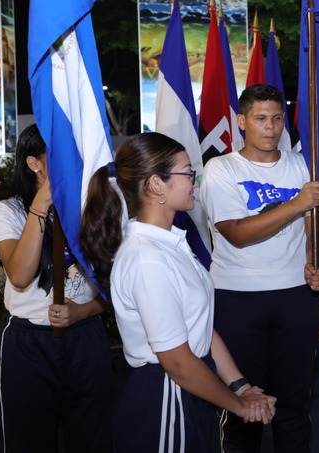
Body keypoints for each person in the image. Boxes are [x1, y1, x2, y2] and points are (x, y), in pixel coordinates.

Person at [79, 132, 276, 452]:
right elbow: (177, 361)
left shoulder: (170, 243)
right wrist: (239, 406)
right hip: (168, 394)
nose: (195, 182)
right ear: (157, 184)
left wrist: (240, 387)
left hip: (191, 386)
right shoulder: (148, 257)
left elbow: (200, 327)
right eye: (188, 173)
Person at [199, 83, 319, 453]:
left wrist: (316, 263)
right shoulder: (221, 168)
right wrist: (296, 204)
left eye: (276, 118)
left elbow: (318, 222)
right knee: (245, 406)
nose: (270, 127)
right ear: (242, 121)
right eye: (260, 118)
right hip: (237, 297)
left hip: (295, 296)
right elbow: (237, 233)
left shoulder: (301, 163)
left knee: (295, 404)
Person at [0, 124, 112, 452]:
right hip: (29, 343)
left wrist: (83, 311)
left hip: (86, 335)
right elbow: (20, 276)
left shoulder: (93, 208)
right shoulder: (6, 212)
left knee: (93, 437)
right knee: (30, 439)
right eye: (60, 154)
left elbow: (115, 286)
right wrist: (42, 202)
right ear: (34, 163)